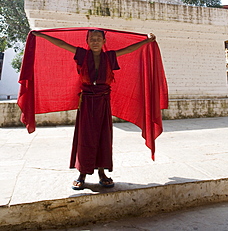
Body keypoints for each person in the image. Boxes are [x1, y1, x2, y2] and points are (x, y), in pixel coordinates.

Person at [32, 29, 156, 190]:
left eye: (99, 38)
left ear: (104, 41)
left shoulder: (109, 56)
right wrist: (41, 35)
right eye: (92, 39)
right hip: (87, 102)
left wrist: (147, 41)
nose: (95, 41)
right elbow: (62, 44)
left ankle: (102, 173)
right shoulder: (82, 55)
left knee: (103, 137)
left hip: (103, 101)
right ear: (87, 41)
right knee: (85, 137)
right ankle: (82, 173)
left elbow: (129, 49)